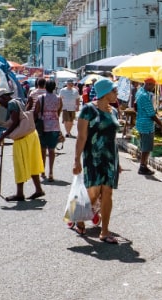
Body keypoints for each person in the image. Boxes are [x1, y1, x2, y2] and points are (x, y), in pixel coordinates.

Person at [73, 79, 122, 244]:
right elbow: (81, 137)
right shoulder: (88, 110)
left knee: (108, 192)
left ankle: (105, 231)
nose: (117, 94)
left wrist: (118, 162)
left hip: (110, 158)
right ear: (105, 92)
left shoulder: (114, 111)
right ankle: (79, 216)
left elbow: (113, 137)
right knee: (92, 194)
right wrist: (76, 160)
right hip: (92, 157)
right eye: (114, 91)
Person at [0, 88, 45, 202]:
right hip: (31, 134)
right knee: (33, 163)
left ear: (4, 97)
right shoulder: (17, 100)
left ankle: (20, 194)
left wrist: (2, 136)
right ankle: (38, 189)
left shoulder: (11, 104)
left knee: (20, 164)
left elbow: (16, 121)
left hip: (23, 138)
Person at [35, 81, 63, 182]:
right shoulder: (58, 98)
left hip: (42, 126)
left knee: (42, 149)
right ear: (55, 88)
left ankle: (42, 171)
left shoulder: (41, 98)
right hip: (54, 125)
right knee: (52, 150)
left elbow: (36, 111)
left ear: (45, 87)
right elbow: (59, 111)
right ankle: (51, 172)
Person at [135, 79, 162, 176]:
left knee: (144, 146)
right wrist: (161, 125)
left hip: (141, 122)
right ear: (149, 84)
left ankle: (144, 165)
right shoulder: (145, 96)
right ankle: (143, 166)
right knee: (146, 147)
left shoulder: (139, 92)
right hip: (146, 124)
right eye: (153, 85)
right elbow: (151, 114)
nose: (154, 87)